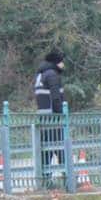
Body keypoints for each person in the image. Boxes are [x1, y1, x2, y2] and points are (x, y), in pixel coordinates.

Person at [34, 49, 66, 184]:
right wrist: (61, 116)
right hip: (54, 119)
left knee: (46, 150)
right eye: (62, 61)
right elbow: (56, 98)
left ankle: (46, 180)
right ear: (56, 62)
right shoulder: (52, 75)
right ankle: (67, 178)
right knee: (61, 148)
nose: (63, 64)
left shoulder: (40, 75)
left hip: (43, 119)